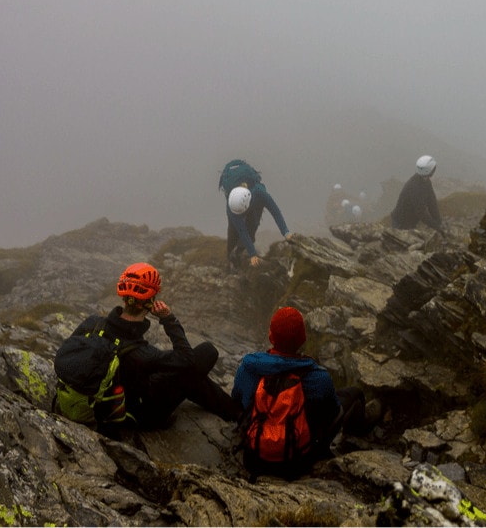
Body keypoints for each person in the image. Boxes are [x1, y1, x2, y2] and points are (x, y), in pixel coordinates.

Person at [76, 262, 239, 433]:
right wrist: (168, 319)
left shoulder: (93, 323)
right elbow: (188, 360)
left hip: (100, 404)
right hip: (138, 415)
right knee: (206, 353)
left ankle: (237, 412)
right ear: (150, 300)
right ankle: (239, 414)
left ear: (123, 296)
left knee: (188, 375)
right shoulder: (142, 354)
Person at [232, 306, 366, 479]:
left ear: (271, 336)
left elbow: (237, 400)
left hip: (253, 460)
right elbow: (332, 412)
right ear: (302, 339)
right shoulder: (319, 377)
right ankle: (354, 440)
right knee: (353, 395)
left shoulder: (249, 369)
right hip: (296, 465)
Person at [218, 159, 293, 271]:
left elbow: (276, 212)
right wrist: (253, 254)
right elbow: (241, 230)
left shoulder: (260, 194)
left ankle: (241, 251)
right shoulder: (232, 205)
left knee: (253, 224)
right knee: (233, 229)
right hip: (237, 202)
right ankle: (231, 257)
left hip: (254, 202)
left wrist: (286, 232)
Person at [390, 155, 444, 233]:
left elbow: (432, 202)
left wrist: (438, 222)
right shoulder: (415, 187)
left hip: (408, 222)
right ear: (430, 171)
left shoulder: (425, 182)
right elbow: (421, 213)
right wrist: (437, 227)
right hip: (401, 224)